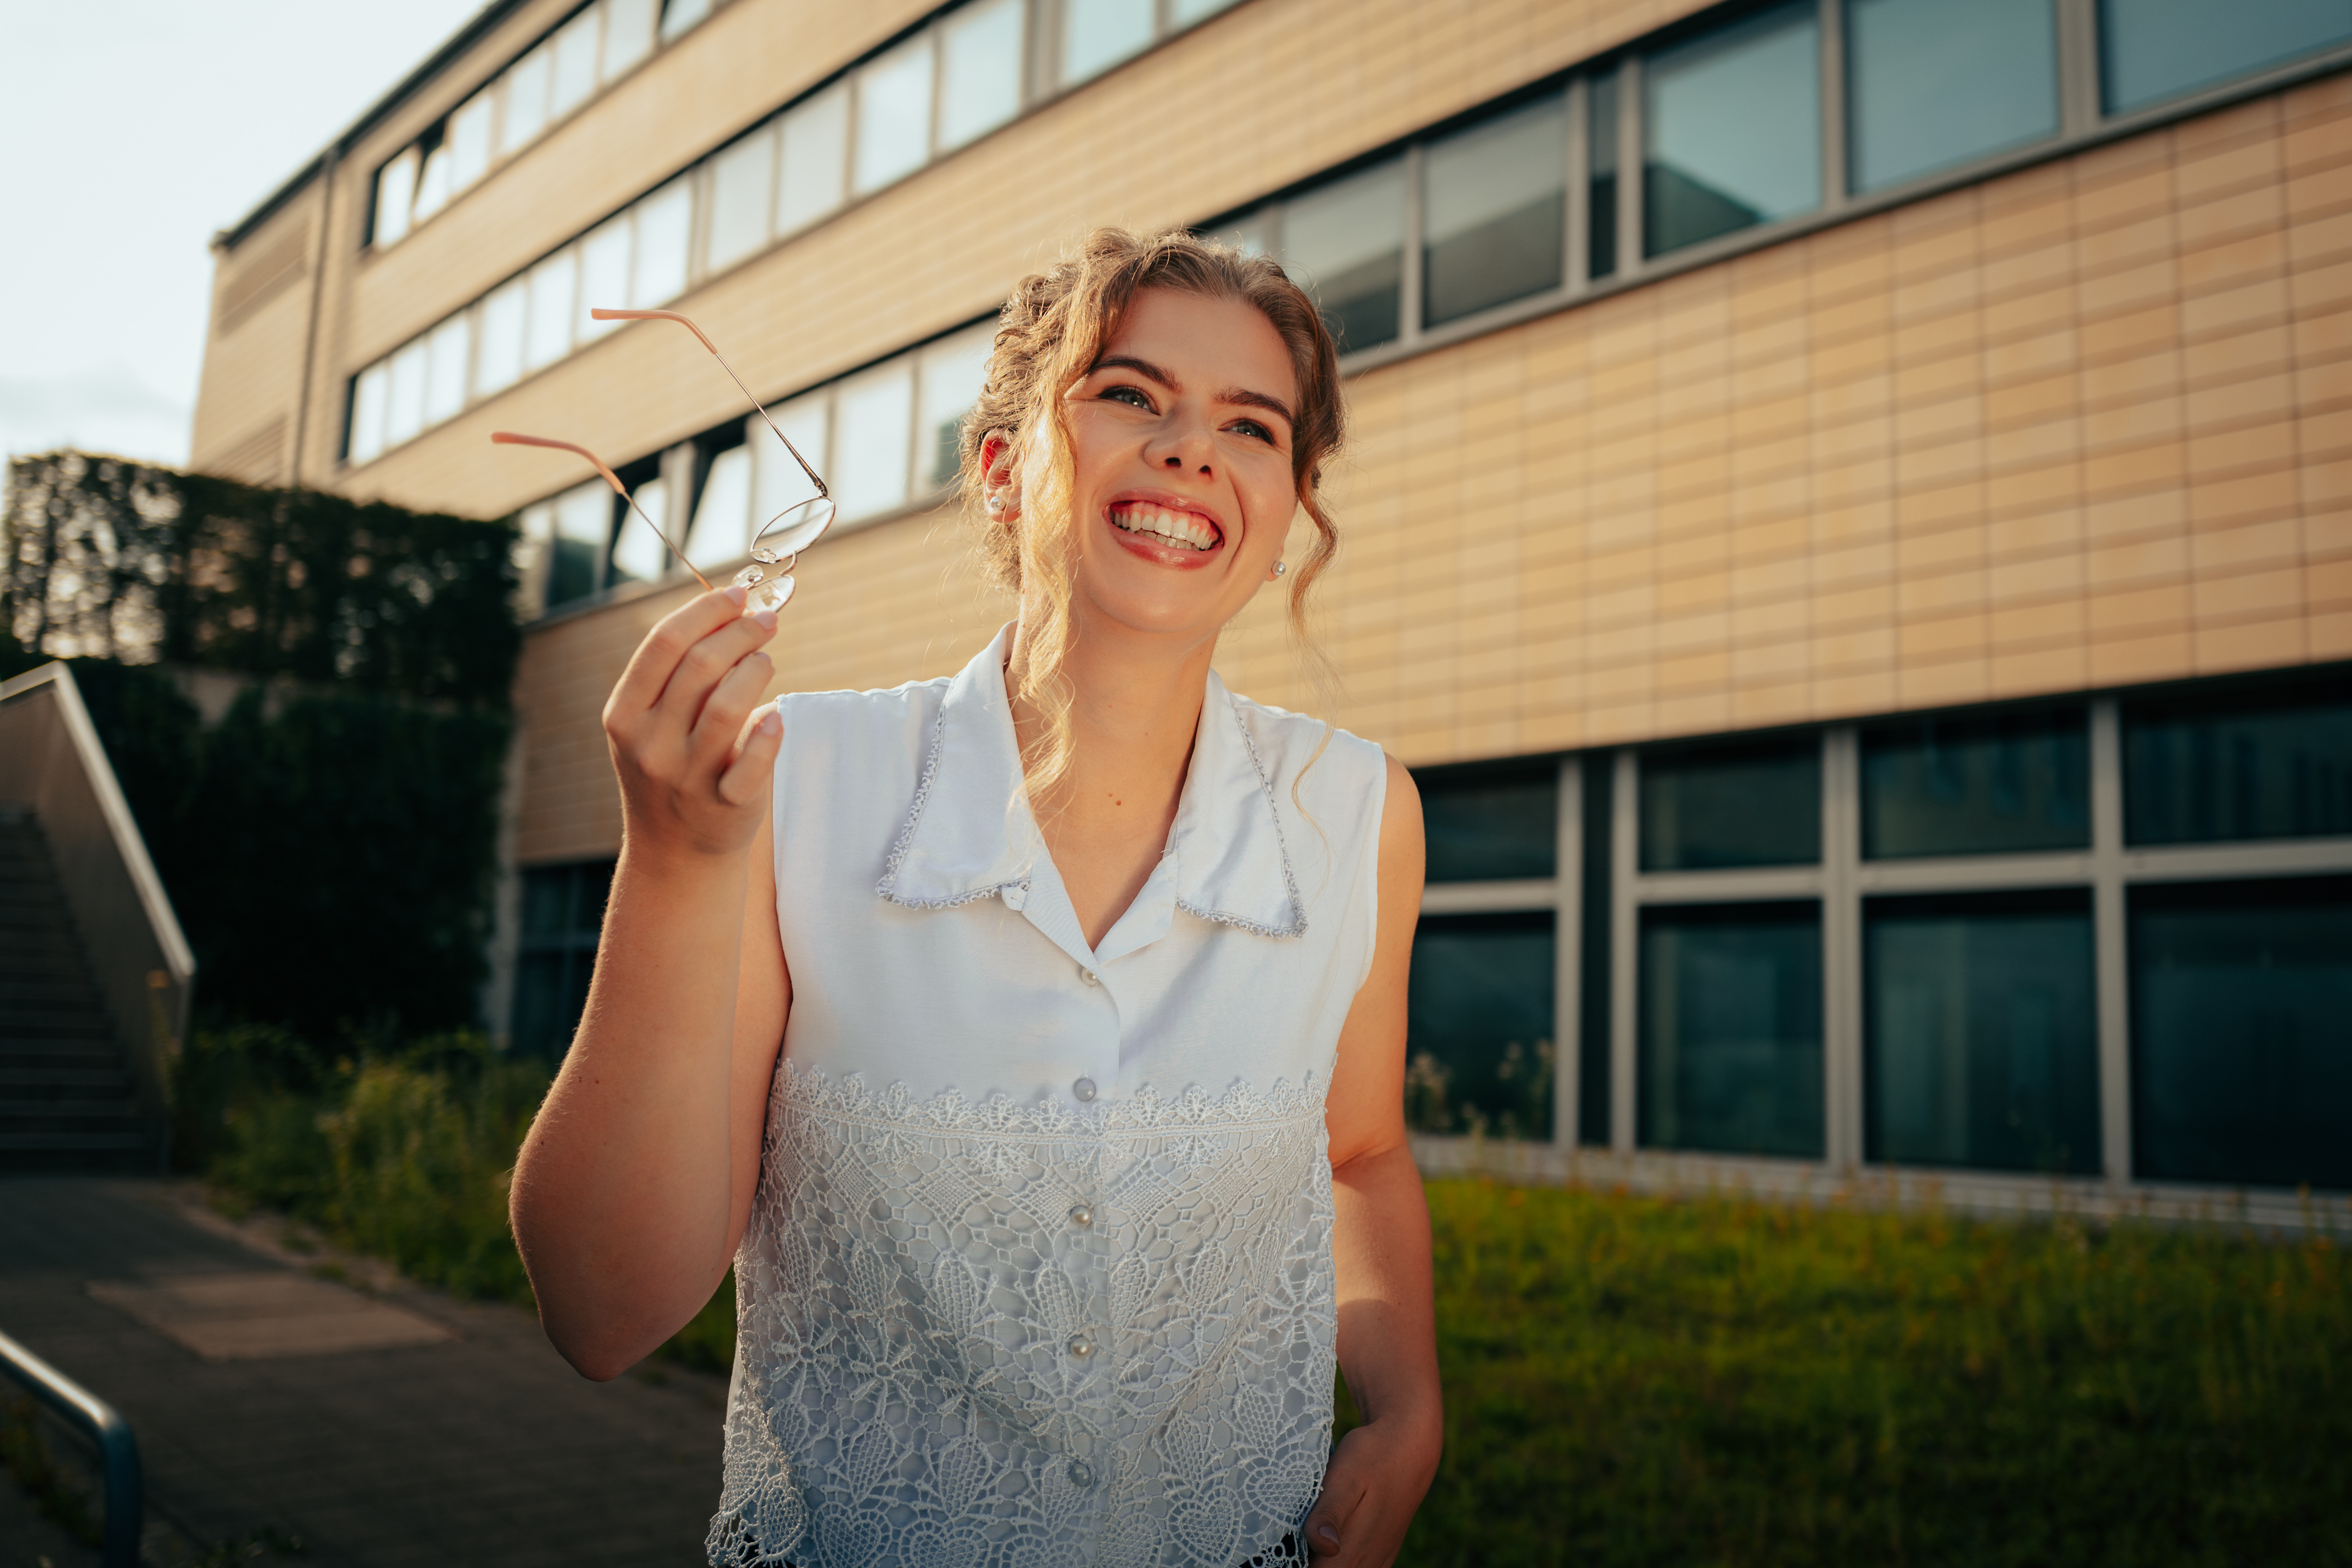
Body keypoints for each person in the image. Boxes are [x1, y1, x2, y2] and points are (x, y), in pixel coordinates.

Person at [509, 228, 1440, 1568]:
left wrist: (1409, 1406)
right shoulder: (794, 783)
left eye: (1252, 425)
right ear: (1004, 470)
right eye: (1130, 393)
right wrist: (675, 861)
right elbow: (601, 1314)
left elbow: (1359, 1155)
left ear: (1289, 505)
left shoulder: (1357, 814)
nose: (1191, 448)